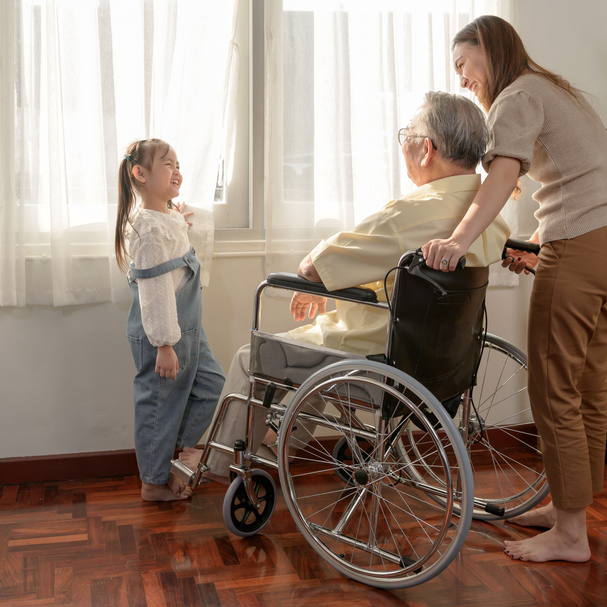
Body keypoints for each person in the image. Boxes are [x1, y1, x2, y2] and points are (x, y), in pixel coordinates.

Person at [205, 91, 511, 480]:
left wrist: (317, 281)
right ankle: (272, 447)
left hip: (374, 358)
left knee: (253, 359)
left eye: (407, 136)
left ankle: (216, 467)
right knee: (310, 349)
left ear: (426, 149)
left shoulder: (410, 214)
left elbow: (312, 267)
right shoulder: (491, 217)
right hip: (442, 365)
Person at [422, 15, 607, 563]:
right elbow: (579, 175)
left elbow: (501, 177)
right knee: (586, 389)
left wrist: (457, 238)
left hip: (580, 251)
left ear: (488, 51)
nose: (463, 78)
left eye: (463, 65)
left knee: (552, 389)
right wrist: (539, 237)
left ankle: (569, 536)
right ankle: (570, 513)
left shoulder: (515, 97)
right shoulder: (555, 90)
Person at [116, 138, 226, 502]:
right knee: (159, 404)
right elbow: (156, 290)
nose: (176, 170)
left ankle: (175, 458)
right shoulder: (148, 229)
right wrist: (164, 343)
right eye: (167, 164)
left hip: (189, 327)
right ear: (141, 173)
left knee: (212, 385)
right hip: (163, 333)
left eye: (177, 163)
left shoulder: (166, 217)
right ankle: (153, 482)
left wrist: (176, 218)